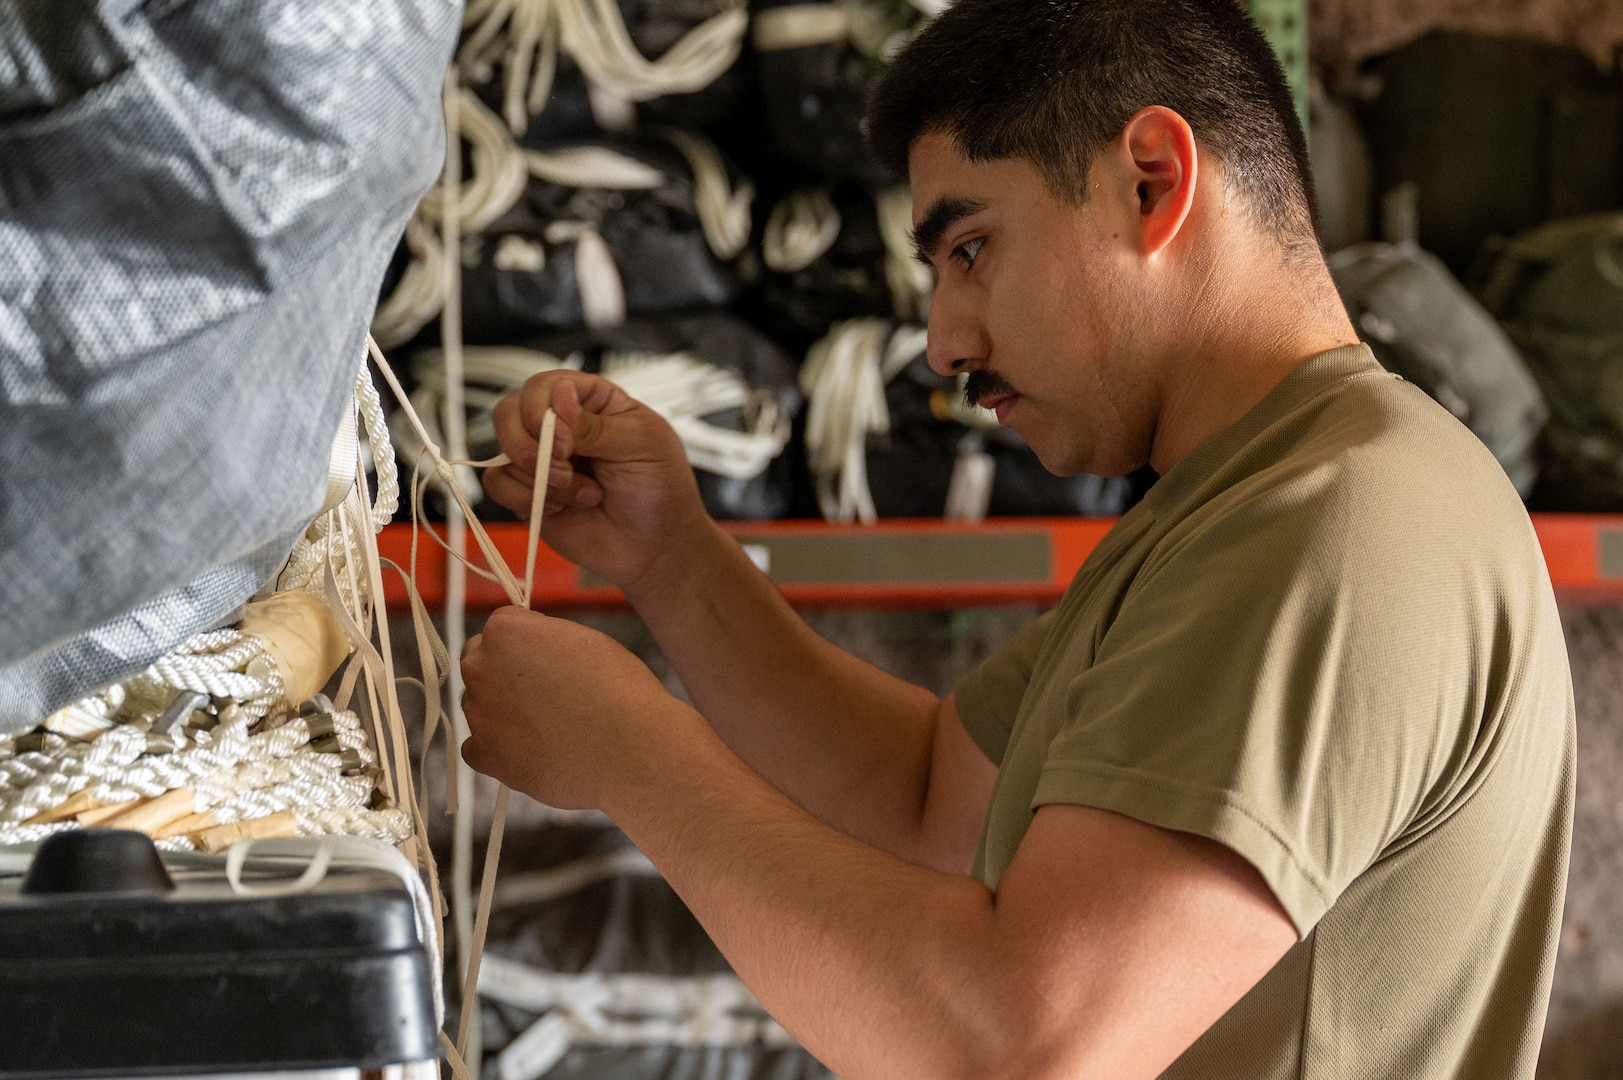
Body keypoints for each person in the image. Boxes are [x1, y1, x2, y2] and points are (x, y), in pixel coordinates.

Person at [459, 1, 1576, 1075]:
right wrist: (675, 563)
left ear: (1154, 182)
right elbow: (935, 803)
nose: (944, 340)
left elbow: (1021, 1049)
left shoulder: (1337, 520)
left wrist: (630, 751)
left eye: (973, 250)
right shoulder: (1232, 506)